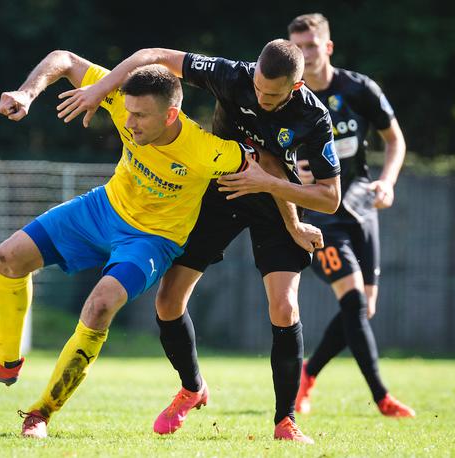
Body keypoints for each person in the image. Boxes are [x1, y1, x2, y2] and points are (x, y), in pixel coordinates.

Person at [0, 50, 309, 439]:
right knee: (8, 257)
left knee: (99, 305)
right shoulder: (121, 101)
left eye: (140, 116)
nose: (128, 122)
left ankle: (41, 414)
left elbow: (267, 164)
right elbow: (63, 59)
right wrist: (28, 93)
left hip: (152, 241)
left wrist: (295, 223)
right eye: (127, 112)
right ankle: (5, 360)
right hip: (103, 209)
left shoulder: (205, 150)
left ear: (170, 115)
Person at [56, 39, 341, 443]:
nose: (260, 97)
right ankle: (192, 388)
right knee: (168, 301)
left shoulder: (313, 116)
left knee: (284, 305)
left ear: (295, 88)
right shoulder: (232, 74)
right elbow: (151, 56)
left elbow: (330, 197)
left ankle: (285, 421)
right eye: (257, 87)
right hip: (220, 188)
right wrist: (103, 88)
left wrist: (280, 203)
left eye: (272, 95)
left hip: (277, 200)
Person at [287, 13, 415, 417]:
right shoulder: (288, 94)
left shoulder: (359, 89)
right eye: (297, 48)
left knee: (362, 309)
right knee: (355, 302)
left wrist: (388, 182)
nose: (304, 55)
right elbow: (269, 148)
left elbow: (395, 140)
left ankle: (306, 375)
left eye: (310, 46)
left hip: (360, 203)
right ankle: (382, 397)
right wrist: (294, 169)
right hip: (321, 209)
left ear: (327, 47)